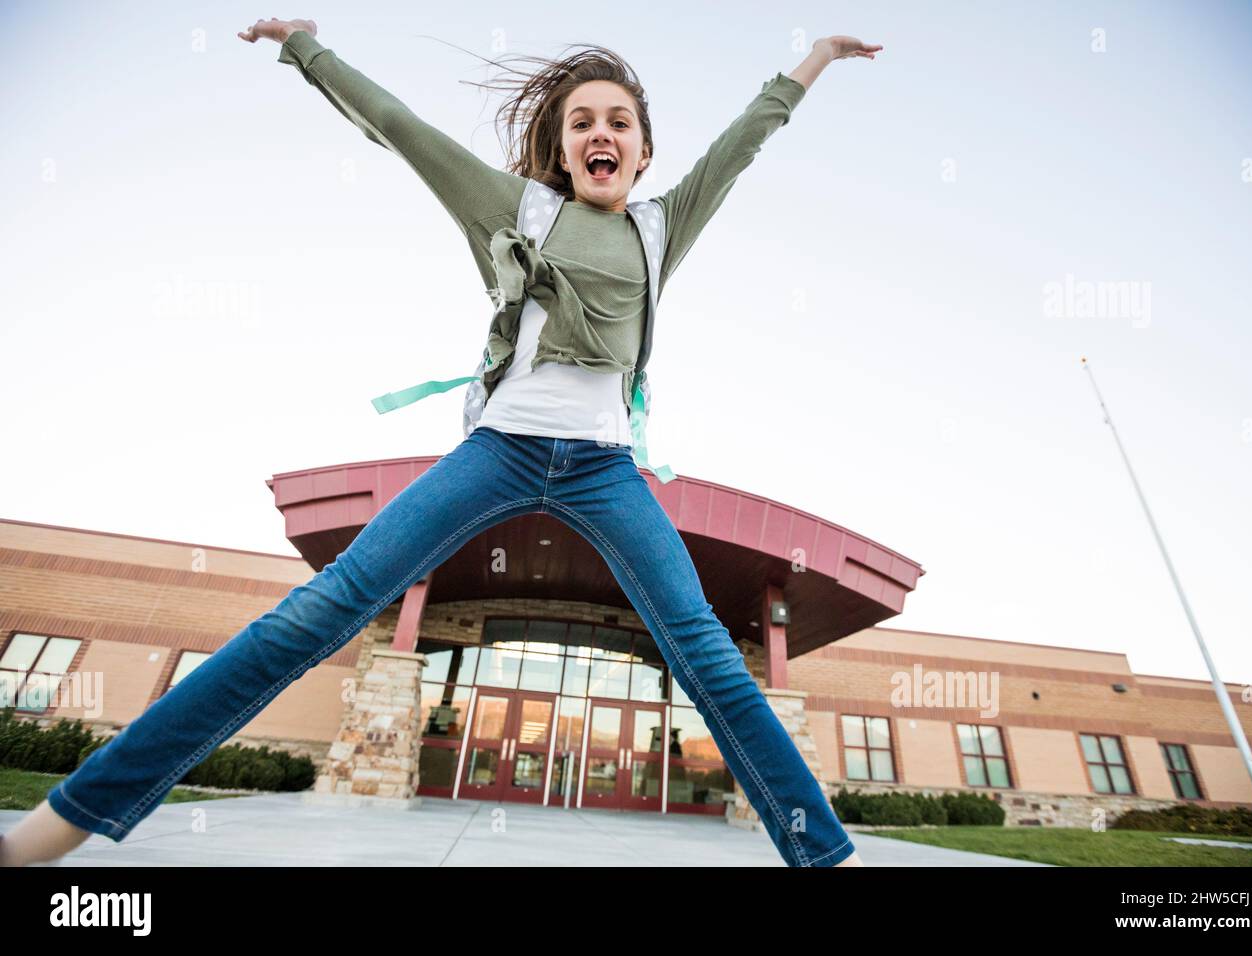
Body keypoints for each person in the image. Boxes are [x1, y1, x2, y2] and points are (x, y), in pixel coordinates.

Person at [0, 17, 882, 868]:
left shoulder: (660, 226)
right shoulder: (521, 209)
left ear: (644, 152)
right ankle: (65, 821)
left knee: (707, 653)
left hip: (608, 472)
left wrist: (815, 59)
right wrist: (306, 48)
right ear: (562, 144)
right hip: (498, 452)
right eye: (582, 122)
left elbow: (745, 140)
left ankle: (822, 856)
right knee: (327, 606)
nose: (600, 133)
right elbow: (401, 129)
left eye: (620, 123)